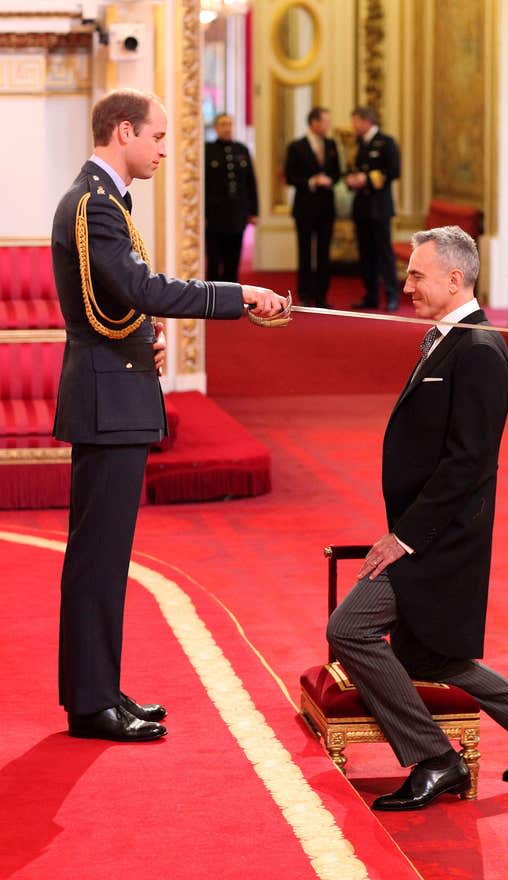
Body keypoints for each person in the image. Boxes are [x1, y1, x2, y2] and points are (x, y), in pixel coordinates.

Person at [327, 227, 508, 811]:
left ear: (455, 279)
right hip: (428, 531)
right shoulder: (450, 339)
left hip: (440, 541)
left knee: (348, 629)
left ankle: (435, 759)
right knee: (431, 658)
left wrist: (402, 539)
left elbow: (468, 464)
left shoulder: (478, 351)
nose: (407, 284)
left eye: (418, 275)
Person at [52, 88, 287, 743]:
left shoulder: (104, 202)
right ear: (123, 131)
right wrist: (239, 295)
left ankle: (99, 690)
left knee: (104, 556)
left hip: (115, 390)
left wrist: (140, 334)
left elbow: (119, 300)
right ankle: (91, 702)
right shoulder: (93, 204)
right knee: (97, 558)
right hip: (107, 400)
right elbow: (142, 288)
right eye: (155, 137)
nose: (162, 149)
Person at [284, 106, 341, 307]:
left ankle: (322, 294)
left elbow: (337, 173)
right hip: (305, 207)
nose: (328, 125)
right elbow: (290, 176)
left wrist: (329, 179)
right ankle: (305, 293)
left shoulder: (331, 144)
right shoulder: (296, 146)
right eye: (325, 121)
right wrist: (311, 181)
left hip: (326, 207)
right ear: (314, 123)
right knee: (305, 250)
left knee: (324, 252)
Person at [346, 106, 400, 311]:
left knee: (384, 252)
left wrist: (366, 179)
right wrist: (352, 180)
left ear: (366, 121)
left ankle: (391, 294)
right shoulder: (358, 144)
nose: (353, 126)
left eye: (355, 121)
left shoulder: (386, 142)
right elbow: (352, 168)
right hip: (362, 207)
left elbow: (394, 171)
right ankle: (371, 295)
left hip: (379, 207)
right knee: (365, 253)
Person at [204, 112, 258, 282]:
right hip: (214, 215)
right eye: (223, 125)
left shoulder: (242, 150)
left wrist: (254, 211)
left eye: (229, 124)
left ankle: (231, 299)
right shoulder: (207, 150)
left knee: (233, 261)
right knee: (213, 261)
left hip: (237, 215)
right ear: (216, 128)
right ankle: (212, 301)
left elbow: (251, 182)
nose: (227, 128)